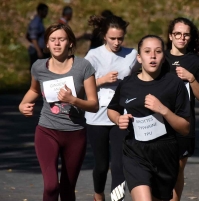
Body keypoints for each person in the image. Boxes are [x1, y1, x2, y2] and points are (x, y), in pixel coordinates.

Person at [19, 23, 99, 201]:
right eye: (52, 40)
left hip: (75, 134)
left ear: (70, 42)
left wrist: (74, 100)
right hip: (47, 131)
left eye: (61, 39)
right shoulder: (39, 67)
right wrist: (22, 105)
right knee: (51, 187)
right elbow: (33, 90)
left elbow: (94, 104)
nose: (56, 44)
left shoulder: (83, 67)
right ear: (46, 43)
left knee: (67, 189)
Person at [107, 35, 191, 201]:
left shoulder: (174, 84)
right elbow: (112, 110)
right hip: (135, 152)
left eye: (158, 52)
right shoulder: (127, 84)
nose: (152, 56)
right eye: (147, 52)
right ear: (139, 57)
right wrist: (118, 120)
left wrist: (163, 110)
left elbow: (185, 127)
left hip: (165, 154)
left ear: (163, 56)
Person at [84, 14, 139, 201]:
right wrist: (102, 80)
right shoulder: (93, 55)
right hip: (96, 115)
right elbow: (82, 85)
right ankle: (98, 195)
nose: (117, 42)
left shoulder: (131, 55)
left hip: (120, 115)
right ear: (104, 36)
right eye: (112, 38)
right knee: (101, 165)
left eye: (120, 38)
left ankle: (117, 199)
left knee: (118, 164)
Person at [165, 17, 199, 201]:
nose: (182, 38)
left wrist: (191, 78)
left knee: (177, 169)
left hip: (184, 122)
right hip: (159, 122)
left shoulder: (196, 62)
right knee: (159, 169)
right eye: (178, 34)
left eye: (186, 35)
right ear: (170, 35)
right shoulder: (159, 57)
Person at [26, 3, 50, 68]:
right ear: (40, 11)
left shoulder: (39, 21)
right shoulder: (36, 23)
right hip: (36, 51)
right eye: (45, 11)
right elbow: (33, 38)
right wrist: (38, 51)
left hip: (39, 49)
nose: (46, 13)